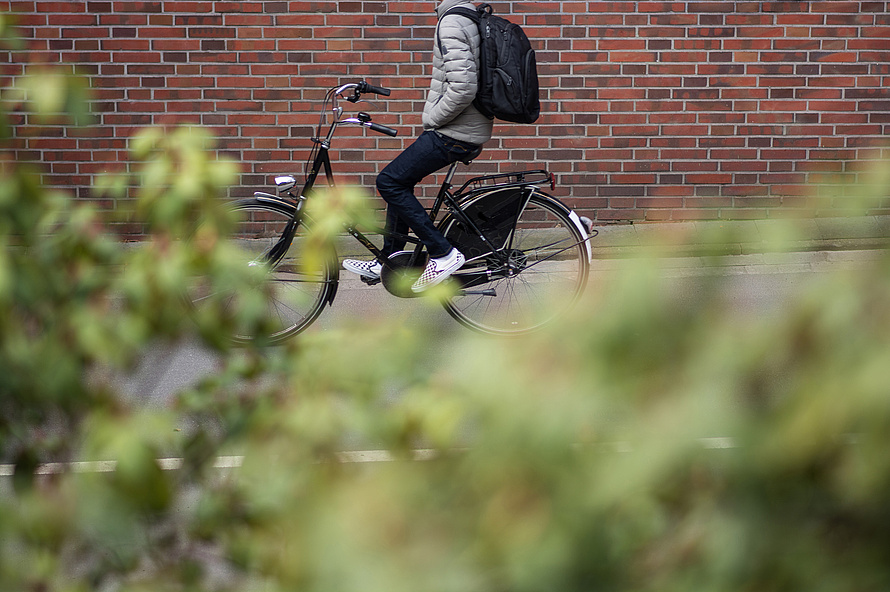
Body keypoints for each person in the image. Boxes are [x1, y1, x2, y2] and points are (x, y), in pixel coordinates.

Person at [342, 0, 493, 293]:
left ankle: (443, 253)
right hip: (464, 128)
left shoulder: (451, 22)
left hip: (455, 132)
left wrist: (433, 118)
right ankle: (391, 258)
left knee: (389, 181)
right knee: (400, 180)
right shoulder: (467, 16)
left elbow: (463, 87)